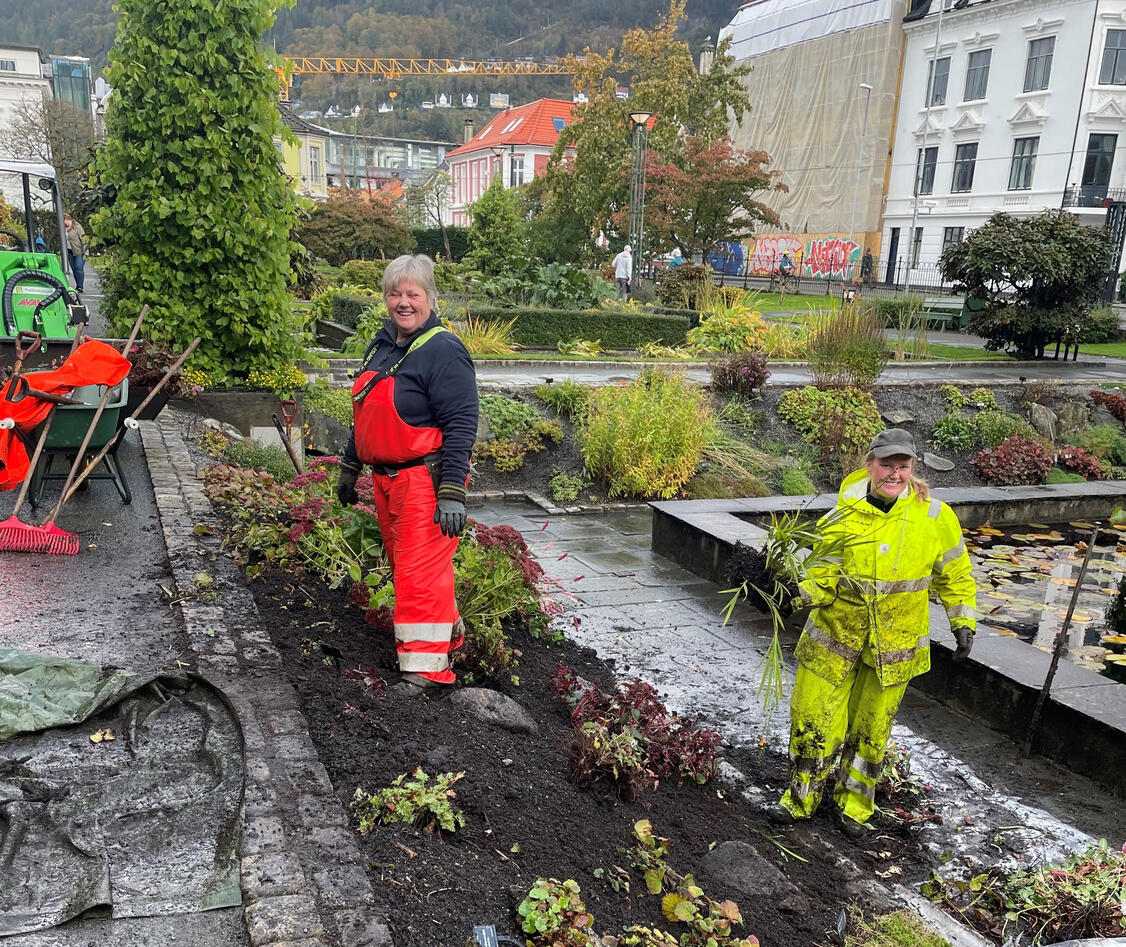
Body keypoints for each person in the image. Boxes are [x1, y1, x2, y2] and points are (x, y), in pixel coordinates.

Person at [769, 428, 976, 839]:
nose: (894, 474)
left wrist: (962, 620)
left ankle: (854, 805)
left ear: (913, 469)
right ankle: (800, 799)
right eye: (887, 465)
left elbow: (955, 573)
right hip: (834, 637)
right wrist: (790, 596)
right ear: (870, 464)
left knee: (871, 729)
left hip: (894, 645)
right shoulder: (842, 516)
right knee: (811, 717)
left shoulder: (935, 517)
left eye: (903, 466)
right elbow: (821, 574)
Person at [336, 254, 479, 695]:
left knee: (418, 573)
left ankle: (426, 673)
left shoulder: (443, 350)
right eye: (394, 293)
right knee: (410, 570)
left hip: (424, 480)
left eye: (412, 294)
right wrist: (350, 465)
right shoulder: (382, 346)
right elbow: (366, 412)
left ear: (429, 298)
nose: (403, 302)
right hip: (386, 479)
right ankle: (446, 642)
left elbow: (462, 421)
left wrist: (451, 490)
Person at [64, 215, 86, 293]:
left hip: (79, 251)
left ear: (67, 220)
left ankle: (80, 286)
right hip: (69, 251)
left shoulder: (77, 227)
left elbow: (83, 238)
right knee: (74, 269)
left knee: (79, 268)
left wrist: (86, 251)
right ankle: (78, 285)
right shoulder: (64, 229)